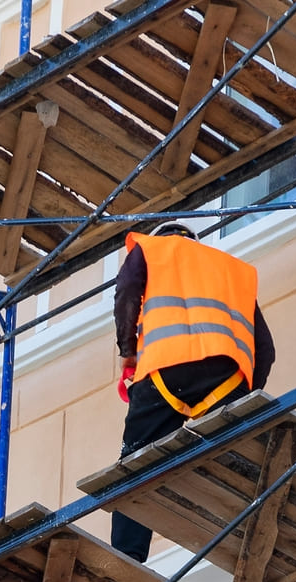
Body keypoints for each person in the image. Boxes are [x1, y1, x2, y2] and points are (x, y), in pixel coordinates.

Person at [109, 223, 276, 563]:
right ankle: (253, 539)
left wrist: (128, 349)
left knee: (138, 460)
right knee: (235, 455)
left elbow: (127, 291)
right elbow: (266, 349)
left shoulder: (150, 249)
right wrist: (245, 398)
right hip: (227, 377)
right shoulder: (234, 271)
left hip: (166, 369)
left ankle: (128, 555)